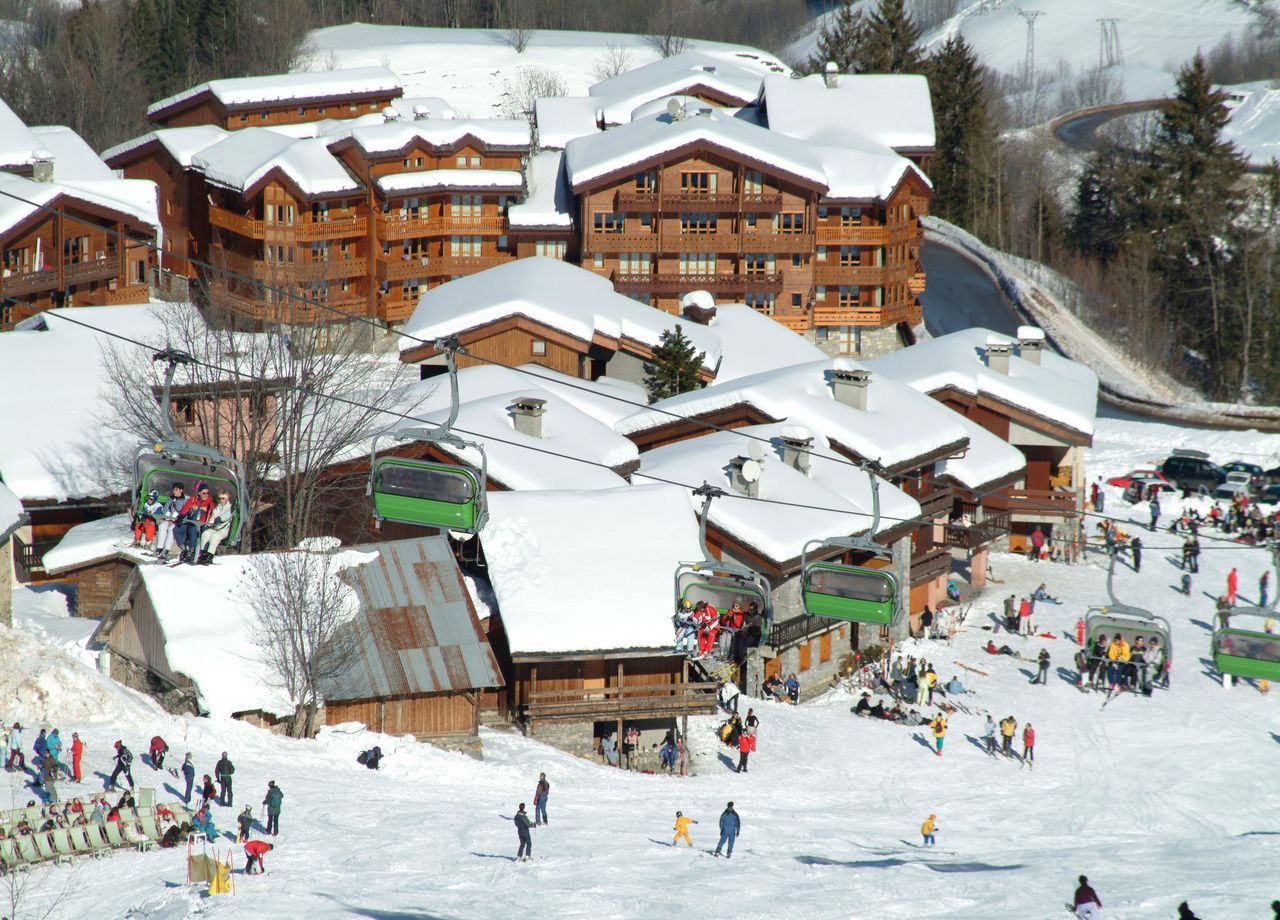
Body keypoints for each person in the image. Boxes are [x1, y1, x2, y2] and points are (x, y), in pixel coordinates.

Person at [173, 484, 215, 565]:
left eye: (207, 493)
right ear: (199, 493)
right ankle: (183, 548)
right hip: (190, 522)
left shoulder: (210, 503)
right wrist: (180, 517)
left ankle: (191, 551)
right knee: (176, 529)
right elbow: (185, 509)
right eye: (204, 493)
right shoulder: (193, 500)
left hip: (200, 525)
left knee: (193, 529)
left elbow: (211, 515)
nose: (206, 495)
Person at [197, 491, 234, 564]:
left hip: (223, 529)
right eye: (220, 498)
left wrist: (220, 518)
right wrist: (208, 525)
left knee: (215, 537)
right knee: (205, 533)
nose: (221, 500)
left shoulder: (230, 507)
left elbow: (228, 515)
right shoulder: (218, 507)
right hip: (215, 527)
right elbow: (213, 517)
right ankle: (203, 553)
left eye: (223, 498)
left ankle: (210, 556)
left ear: (227, 499)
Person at [152, 483, 186, 561]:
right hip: (168, 518)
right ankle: (159, 547)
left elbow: (183, 512)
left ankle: (166, 549)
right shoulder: (170, 499)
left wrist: (175, 518)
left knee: (171, 529)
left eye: (176, 490)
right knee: (162, 526)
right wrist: (165, 516)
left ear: (181, 490)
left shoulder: (184, 500)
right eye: (174, 490)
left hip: (177, 521)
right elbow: (166, 509)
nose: (174, 492)